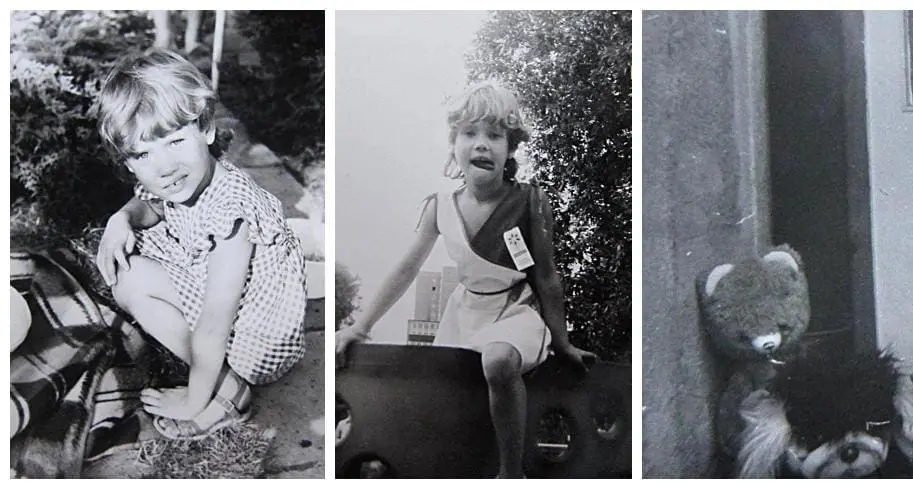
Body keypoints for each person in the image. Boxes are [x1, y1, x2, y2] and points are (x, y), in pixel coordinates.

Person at [335, 81, 598, 478]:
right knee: (441, 391)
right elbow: (405, 269)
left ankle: (511, 474)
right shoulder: (440, 206)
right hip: (466, 312)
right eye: (470, 133)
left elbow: (547, 277)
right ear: (453, 144)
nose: (481, 144)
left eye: (495, 135)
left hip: (515, 311)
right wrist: (360, 326)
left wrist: (562, 342)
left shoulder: (529, 200)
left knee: (497, 360)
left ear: (510, 149)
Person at [91, 49, 306, 441]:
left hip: (257, 343)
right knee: (130, 267)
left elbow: (214, 320)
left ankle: (226, 390)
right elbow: (151, 204)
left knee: (131, 278)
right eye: (142, 153)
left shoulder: (231, 212)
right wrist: (121, 218)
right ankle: (217, 377)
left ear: (205, 128)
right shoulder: (186, 179)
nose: (163, 167)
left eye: (174, 141)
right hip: (238, 314)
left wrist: (193, 398)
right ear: (127, 161)